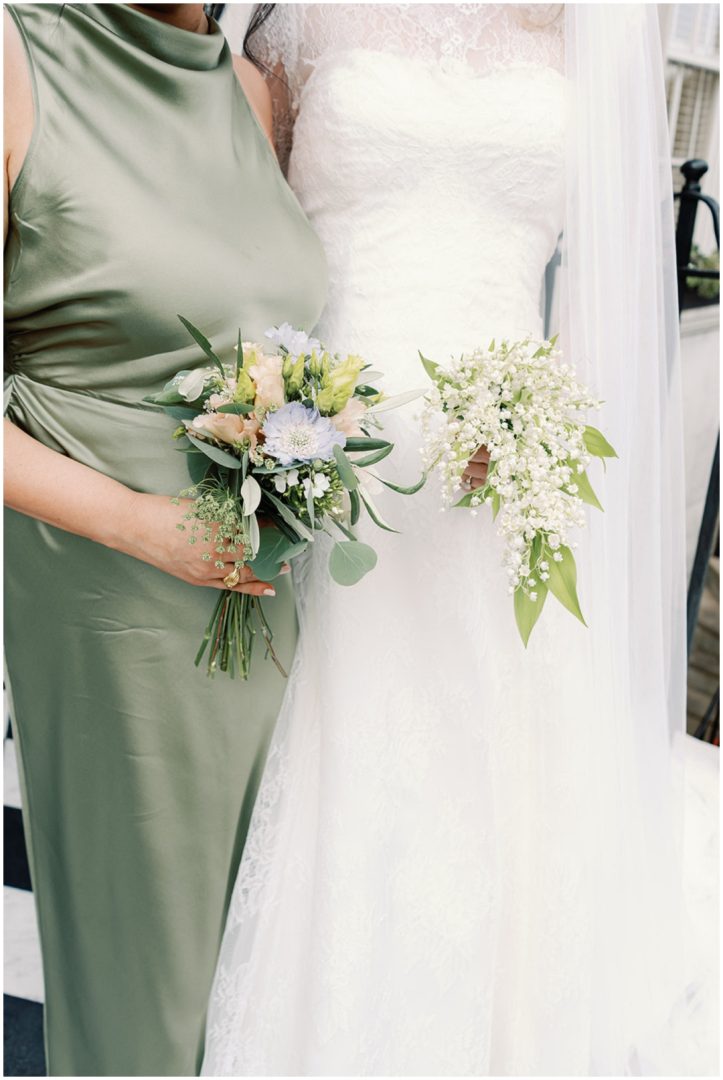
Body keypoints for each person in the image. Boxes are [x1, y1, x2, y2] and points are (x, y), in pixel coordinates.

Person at [202, 4, 705, 1075]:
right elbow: (239, 233)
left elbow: (614, 289)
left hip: (505, 477)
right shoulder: (296, 23)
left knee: (503, 776)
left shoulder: (595, 26)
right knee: (343, 752)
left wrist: (540, 432)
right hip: (328, 462)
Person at [3, 2, 326, 1074]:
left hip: (270, 615)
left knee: (253, 974)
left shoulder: (250, 90)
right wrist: (144, 527)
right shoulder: (16, 54)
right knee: (145, 993)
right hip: (106, 602)